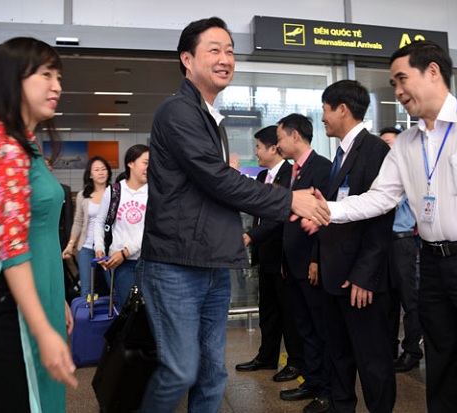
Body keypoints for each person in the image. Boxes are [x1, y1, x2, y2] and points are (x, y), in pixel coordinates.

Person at [319, 40, 457, 413]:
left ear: (433, 71)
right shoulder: (405, 143)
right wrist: (325, 210)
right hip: (431, 265)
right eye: (394, 83)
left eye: (402, 79)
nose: (397, 91)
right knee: (443, 368)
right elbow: (380, 198)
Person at [137, 17, 329, 413]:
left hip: (212, 262)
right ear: (186, 59)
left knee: (212, 374)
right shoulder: (177, 112)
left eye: (229, 51)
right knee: (180, 370)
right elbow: (217, 179)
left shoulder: (210, 118)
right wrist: (289, 201)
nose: (225, 59)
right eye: (214, 50)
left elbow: (216, 187)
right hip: (176, 264)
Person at [0, 37, 77, 413]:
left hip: (31, 290)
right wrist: (43, 331)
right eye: (45, 74)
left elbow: (36, 230)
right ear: (13, 79)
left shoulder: (25, 143)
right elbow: (12, 246)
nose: (56, 85)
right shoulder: (0, 143)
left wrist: (54, 297)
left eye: (58, 76)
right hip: (5, 296)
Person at [316, 80, 395, 413]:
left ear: (342, 109)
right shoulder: (340, 153)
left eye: (325, 110)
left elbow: (381, 220)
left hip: (361, 281)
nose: (323, 118)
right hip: (335, 274)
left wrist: (365, 276)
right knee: (339, 354)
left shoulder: (375, 150)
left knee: (372, 359)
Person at [235, 125, 304, 383]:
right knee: (268, 310)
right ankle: (266, 356)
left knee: (289, 313)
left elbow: (280, 216)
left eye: (258, 147)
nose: (256, 152)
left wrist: (251, 236)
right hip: (265, 254)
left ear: (273, 148)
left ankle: (296, 361)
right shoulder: (263, 175)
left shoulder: (290, 174)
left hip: (283, 254)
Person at [275, 114, 334, 413]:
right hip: (292, 263)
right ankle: (311, 380)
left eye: (280, 138)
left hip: (312, 264)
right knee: (304, 328)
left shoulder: (323, 168)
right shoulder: (289, 173)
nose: (278, 144)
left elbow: (324, 218)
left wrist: (316, 259)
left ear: (295, 135)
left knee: (321, 328)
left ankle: (327, 389)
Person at [379, 126, 423, 372]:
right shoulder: (385, 173)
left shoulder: (408, 172)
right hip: (384, 242)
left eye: (388, 142)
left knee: (410, 299)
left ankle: (412, 351)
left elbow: (390, 203)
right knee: (388, 301)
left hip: (402, 240)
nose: (385, 147)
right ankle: (389, 348)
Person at [94, 144, 149, 306]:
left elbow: (151, 230)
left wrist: (126, 252)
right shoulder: (114, 191)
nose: (149, 167)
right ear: (130, 163)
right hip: (120, 264)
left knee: (148, 313)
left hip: (147, 262)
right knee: (128, 310)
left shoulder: (154, 192)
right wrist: (99, 248)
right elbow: (99, 222)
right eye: (145, 162)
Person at [62, 155, 112, 298]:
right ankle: (87, 318)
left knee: (113, 287)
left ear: (108, 172)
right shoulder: (83, 196)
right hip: (87, 247)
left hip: (109, 248)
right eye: (96, 170)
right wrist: (70, 245)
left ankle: (115, 318)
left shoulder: (115, 193)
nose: (101, 172)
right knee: (86, 290)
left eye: (103, 169)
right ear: (90, 174)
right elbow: (78, 222)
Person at [45, 157, 78, 302]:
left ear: (52, 168)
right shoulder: (30, 191)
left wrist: (70, 243)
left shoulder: (63, 189)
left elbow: (69, 217)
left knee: (61, 271)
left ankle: (63, 299)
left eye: (47, 166)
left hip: (60, 237)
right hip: (41, 238)